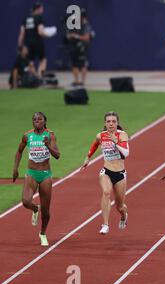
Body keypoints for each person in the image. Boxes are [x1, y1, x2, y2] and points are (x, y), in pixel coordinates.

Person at [13, 112, 60, 246]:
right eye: (34, 119)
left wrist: (48, 145)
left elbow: (57, 155)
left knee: (46, 211)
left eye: (39, 119)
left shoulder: (50, 135)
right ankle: (34, 209)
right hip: (31, 173)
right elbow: (19, 151)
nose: (36, 121)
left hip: (45, 174)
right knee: (26, 201)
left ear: (45, 121)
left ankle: (43, 233)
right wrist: (15, 169)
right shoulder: (27, 136)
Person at [80, 112, 130, 235]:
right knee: (106, 192)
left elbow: (127, 153)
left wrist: (116, 142)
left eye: (113, 121)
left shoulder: (122, 135)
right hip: (106, 171)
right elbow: (95, 144)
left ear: (117, 123)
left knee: (120, 206)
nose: (111, 123)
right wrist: (88, 157)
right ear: (105, 123)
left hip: (120, 174)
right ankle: (105, 224)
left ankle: (124, 215)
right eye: (108, 121)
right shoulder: (100, 135)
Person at [17, 2, 51, 78]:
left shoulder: (25, 18)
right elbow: (40, 32)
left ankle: (34, 78)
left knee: (30, 61)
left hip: (28, 43)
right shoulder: (39, 17)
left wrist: (19, 45)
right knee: (43, 60)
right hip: (38, 42)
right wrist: (48, 34)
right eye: (42, 8)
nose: (42, 10)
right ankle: (40, 77)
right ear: (38, 9)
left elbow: (22, 33)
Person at [66, 8, 95, 86]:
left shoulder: (86, 25)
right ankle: (76, 81)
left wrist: (77, 36)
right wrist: (71, 36)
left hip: (83, 46)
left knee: (82, 64)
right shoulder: (74, 24)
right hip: (73, 46)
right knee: (74, 64)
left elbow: (87, 37)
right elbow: (68, 35)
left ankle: (82, 81)